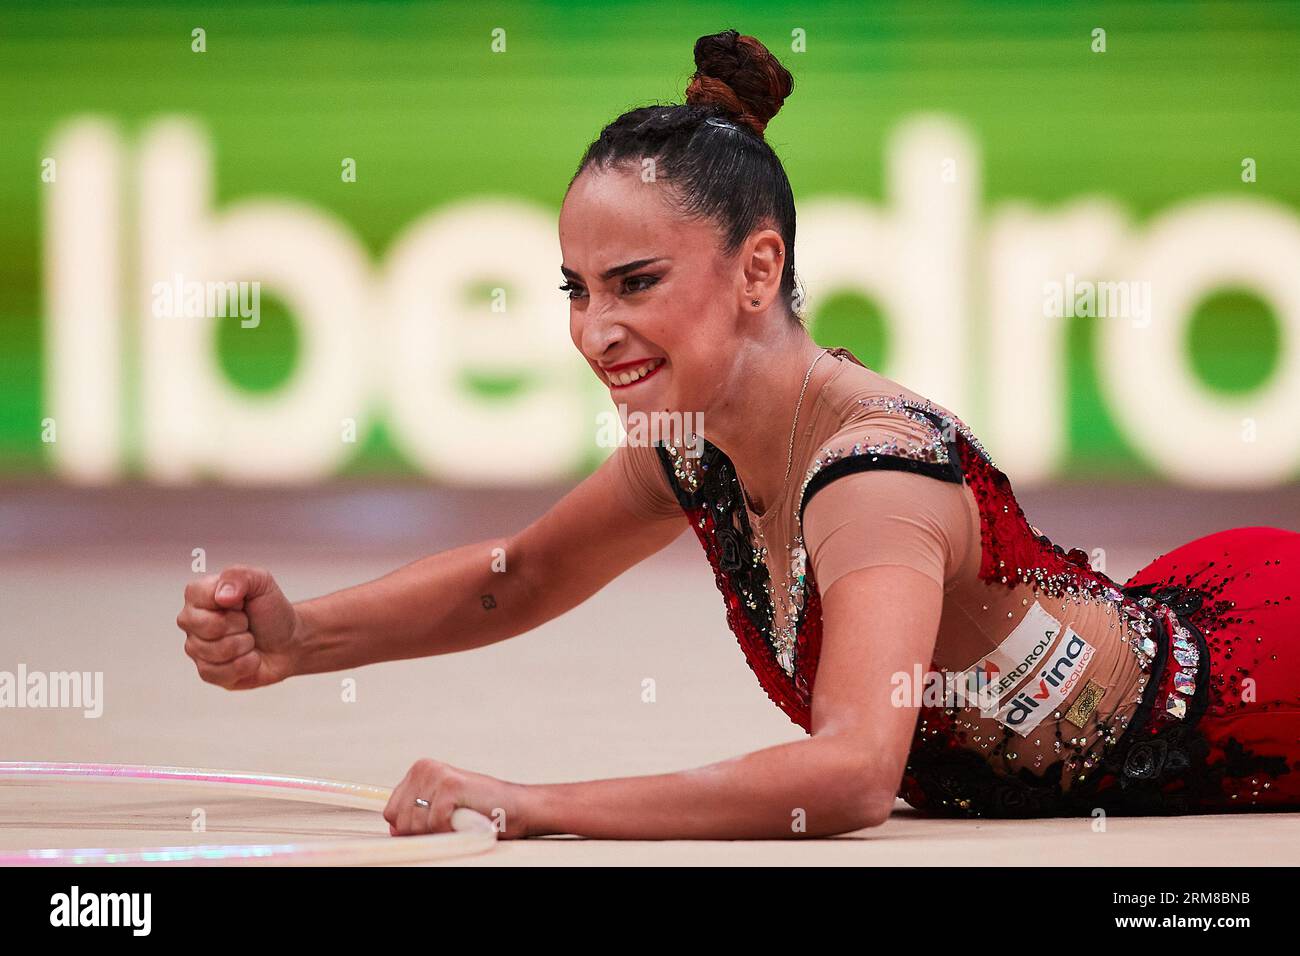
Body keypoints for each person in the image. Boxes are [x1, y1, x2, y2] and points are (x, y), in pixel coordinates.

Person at [175, 29, 1300, 838]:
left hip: (1264, 687)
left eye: (635, 282)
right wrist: (299, 640)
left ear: (757, 267)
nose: (594, 328)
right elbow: (523, 576)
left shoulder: (875, 471)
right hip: (1180, 611)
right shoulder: (693, 443)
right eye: (574, 287)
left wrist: (533, 802)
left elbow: (855, 773)